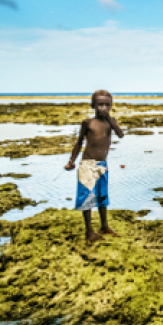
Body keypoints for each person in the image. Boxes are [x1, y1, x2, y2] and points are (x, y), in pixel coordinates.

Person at [65, 90, 124, 243]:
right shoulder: (88, 123)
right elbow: (79, 143)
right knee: (87, 198)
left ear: (111, 106)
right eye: (100, 104)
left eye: (107, 105)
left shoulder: (110, 123)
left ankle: (104, 226)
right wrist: (71, 161)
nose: (103, 108)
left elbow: (121, 134)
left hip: (103, 164)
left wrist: (111, 120)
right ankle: (89, 231)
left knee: (102, 196)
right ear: (93, 106)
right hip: (88, 165)